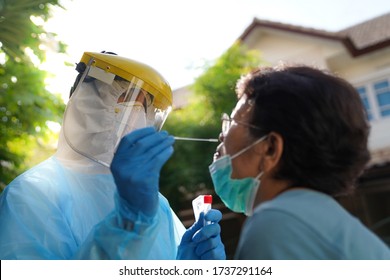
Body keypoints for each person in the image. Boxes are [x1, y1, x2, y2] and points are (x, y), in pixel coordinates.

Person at [0, 51, 225, 260]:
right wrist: (128, 223)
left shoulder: (155, 204)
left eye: (143, 108)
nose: (136, 117)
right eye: (126, 101)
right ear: (88, 106)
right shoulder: (31, 194)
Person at [209, 64, 390, 259]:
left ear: (270, 148)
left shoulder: (278, 223)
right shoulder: (316, 219)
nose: (222, 136)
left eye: (233, 122)